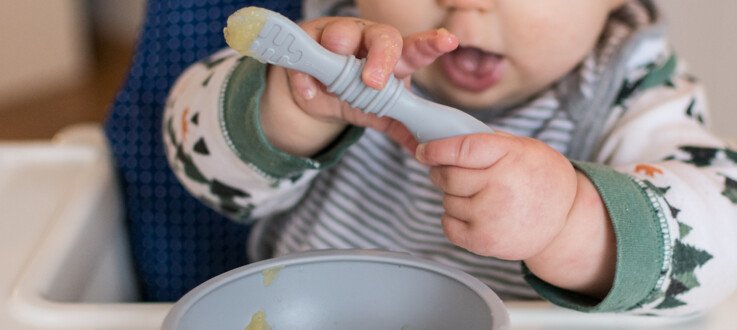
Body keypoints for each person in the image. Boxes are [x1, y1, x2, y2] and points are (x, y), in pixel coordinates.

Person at [162, 0, 737, 314]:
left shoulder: (633, 93)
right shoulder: (332, 53)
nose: (467, 5)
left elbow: (722, 231)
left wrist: (571, 222)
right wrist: (291, 109)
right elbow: (195, 154)